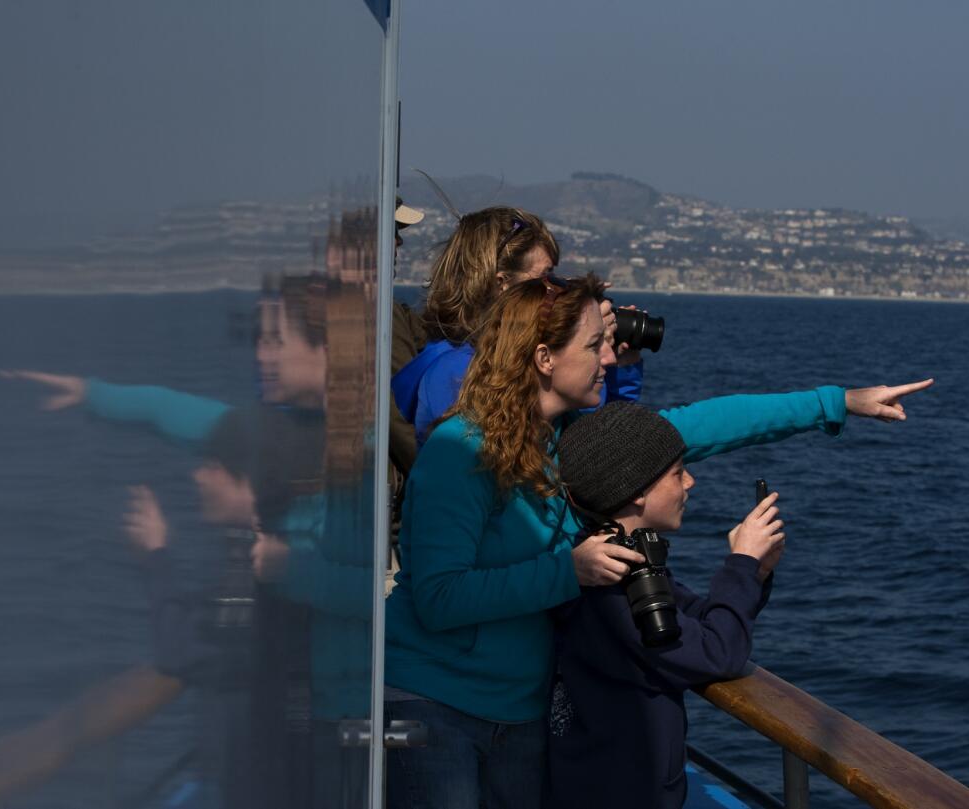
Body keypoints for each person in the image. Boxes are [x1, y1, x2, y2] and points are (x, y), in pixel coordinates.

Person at [383, 271, 933, 809]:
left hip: (520, 709)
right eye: (594, 344)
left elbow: (704, 424)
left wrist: (835, 403)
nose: (608, 358)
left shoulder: (567, 439)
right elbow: (439, 598)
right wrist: (567, 572)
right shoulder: (461, 453)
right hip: (436, 704)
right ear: (544, 358)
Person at [548, 402, 784, 809]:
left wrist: (755, 574)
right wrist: (741, 563)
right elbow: (717, 653)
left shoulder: (607, 556)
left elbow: (693, 613)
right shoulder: (619, 581)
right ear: (636, 491)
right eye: (678, 473)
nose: (690, 482)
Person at [391, 207, 642, 447]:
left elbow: (609, 450)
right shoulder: (457, 372)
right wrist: (591, 342)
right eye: (545, 278)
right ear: (501, 283)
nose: (555, 289)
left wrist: (616, 365)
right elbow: (579, 451)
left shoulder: (489, 359)